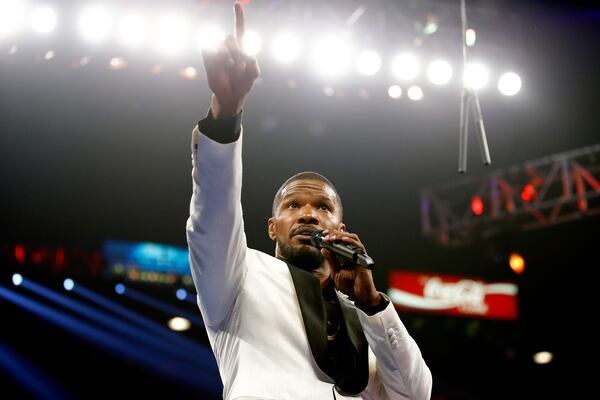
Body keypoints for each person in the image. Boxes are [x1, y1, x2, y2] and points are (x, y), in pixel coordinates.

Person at [186, 3, 432, 399]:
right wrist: (226, 114)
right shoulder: (239, 279)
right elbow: (213, 216)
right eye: (292, 206)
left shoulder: (363, 316)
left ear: (341, 228)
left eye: (323, 208)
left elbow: (415, 395)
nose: (308, 215)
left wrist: (371, 305)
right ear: (272, 227)